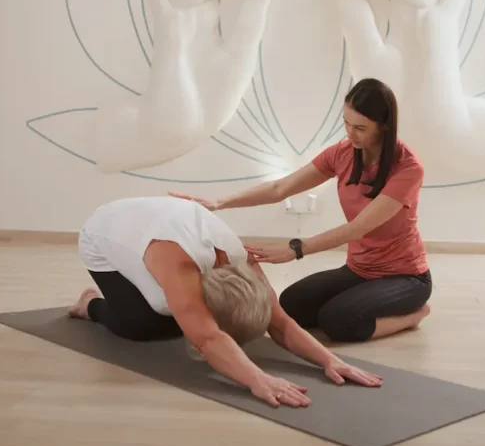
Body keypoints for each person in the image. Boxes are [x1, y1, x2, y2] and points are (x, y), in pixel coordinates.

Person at [169, 77, 432, 343]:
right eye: (346, 124)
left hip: (405, 277)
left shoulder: (408, 168)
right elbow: (279, 188)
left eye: (361, 128)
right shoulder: (343, 153)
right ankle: (359, 303)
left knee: (338, 321)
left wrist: (296, 249)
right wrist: (217, 203)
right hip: (359, 270)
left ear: (385, 126)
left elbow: (359, 228)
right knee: (291, 304)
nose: (350, 134)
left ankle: (414, 315)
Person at [69, 195, 383, 408]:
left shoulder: (241, 259)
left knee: (178, 315)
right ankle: (90, 303)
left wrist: (330, 360)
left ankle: (181, 309)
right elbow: (207, 339)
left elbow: (281, 321)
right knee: (146, 324)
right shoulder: (177, 265)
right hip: (105, 234)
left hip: (156, 225)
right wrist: (257, 380)